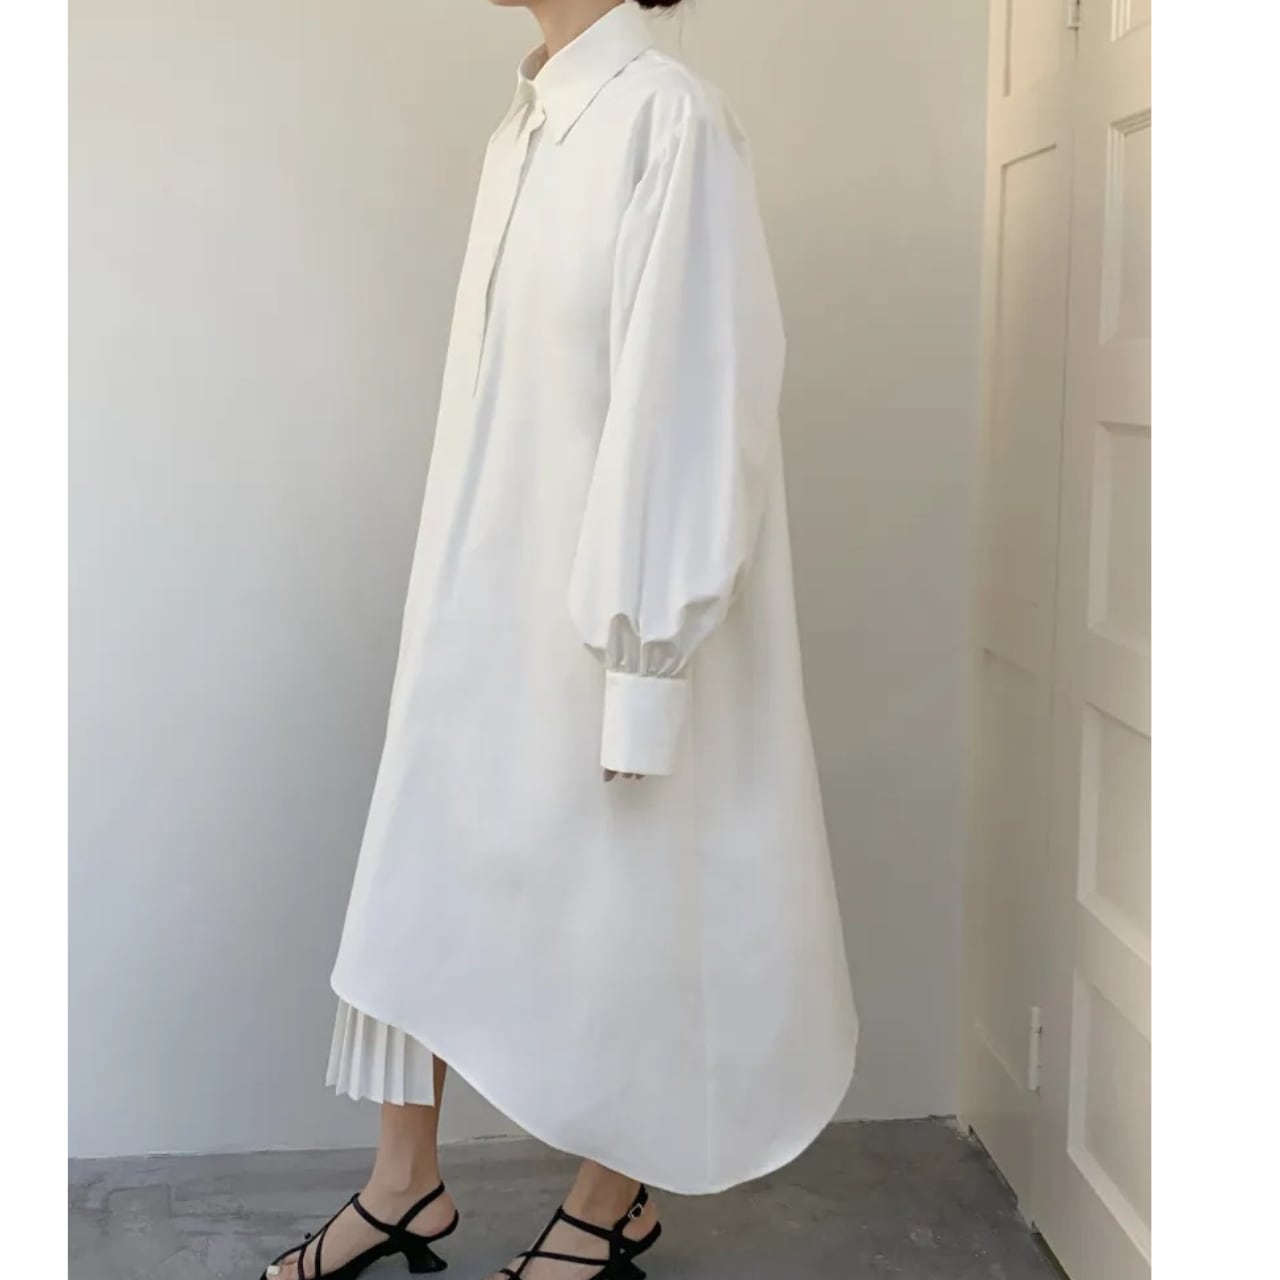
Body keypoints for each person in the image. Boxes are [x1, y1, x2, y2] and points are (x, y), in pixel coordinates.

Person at [261, 2, 857, 1277]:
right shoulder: (526, 127)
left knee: (633, 898)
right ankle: (404, 1179)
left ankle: (608, 1195)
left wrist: (643, 661)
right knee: (414, 870)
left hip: (601, 620)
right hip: (479, 597)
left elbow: (691, 402)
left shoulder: (667, 119)